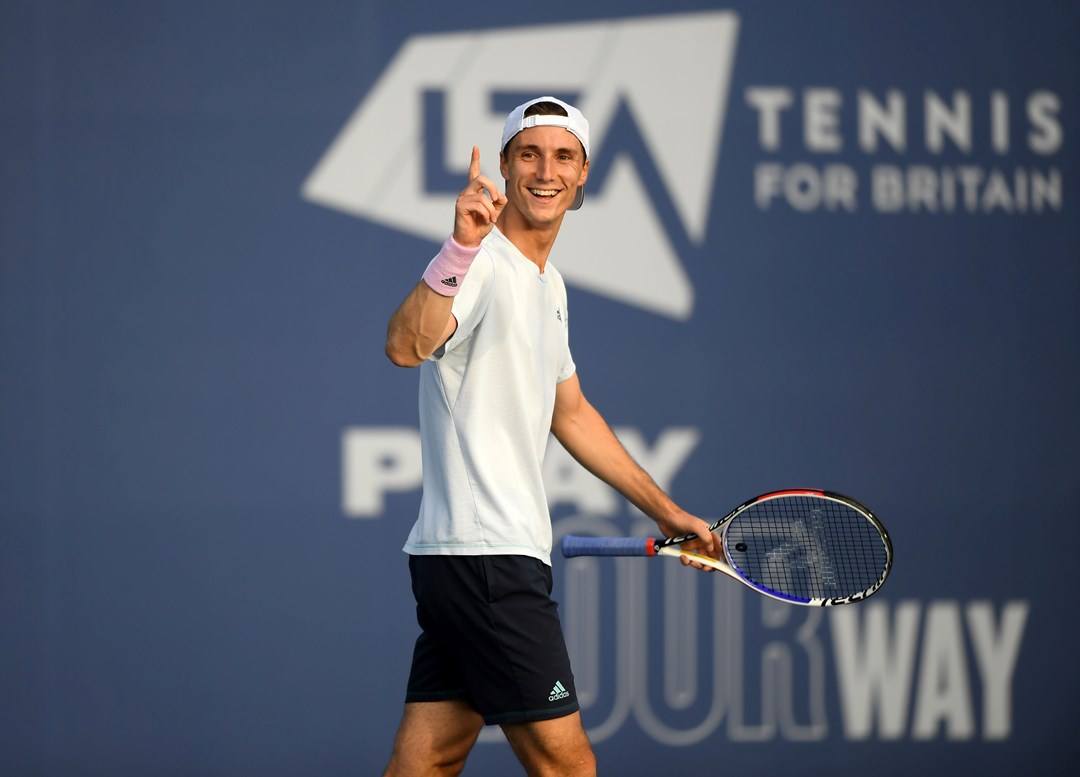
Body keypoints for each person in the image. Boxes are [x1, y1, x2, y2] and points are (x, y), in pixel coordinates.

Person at [382, 96, 717, 776]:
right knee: (569, 766)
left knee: (428, 760)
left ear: (584, 172)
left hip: (471, 559)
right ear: (505, 167)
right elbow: (403, 346)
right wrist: (458, 248)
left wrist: (668, 511)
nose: (546, 170)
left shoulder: (549, 284)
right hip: (488, 560)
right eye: (529, 154)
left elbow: (572, 413)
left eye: (563, 155)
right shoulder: (476, 262)